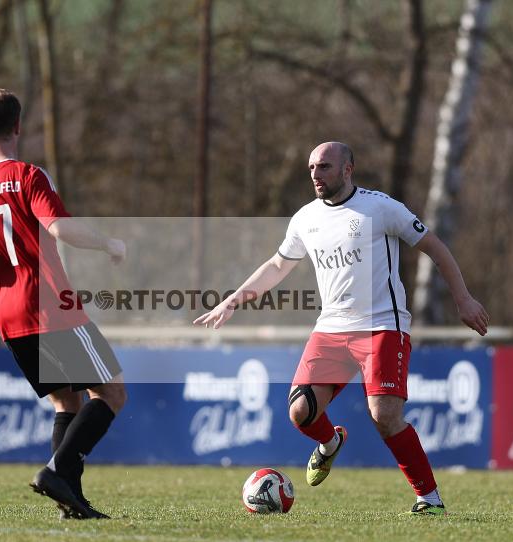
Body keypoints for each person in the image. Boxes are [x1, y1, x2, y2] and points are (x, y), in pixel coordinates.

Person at [194, 141, 488, 515]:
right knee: (300, 412)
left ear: (348, 169)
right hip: (331, 329)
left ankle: (428, 499)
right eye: (312, 168)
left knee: (385, 416)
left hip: (383, 326)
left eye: (325, 167)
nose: (316, 175)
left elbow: (434, 246)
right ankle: (330, 442)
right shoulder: (305, 219)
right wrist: (232, 300)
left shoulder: (380, 208)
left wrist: (463, 298)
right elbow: (276, 267)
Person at [0, 88, 127, 519]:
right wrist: (108, 243)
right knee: (110, 392)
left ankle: (69, 501)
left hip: (9, 317)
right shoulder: (29, 176)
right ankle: (58, 470)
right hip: (51, 306)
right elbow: (59, 228)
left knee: (65, 404)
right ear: (18, 126)